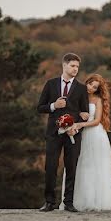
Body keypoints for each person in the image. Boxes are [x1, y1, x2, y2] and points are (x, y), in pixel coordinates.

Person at [59, 74, 111, 211]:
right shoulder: (77, 96)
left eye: (95, 87)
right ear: (86, 82)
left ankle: (97, 201)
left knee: (96, 166)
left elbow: (97, 121)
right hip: (80, 134)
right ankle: (76, 201)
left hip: (95, 135)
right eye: (90, 84)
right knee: (79, 165)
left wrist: (80, 125)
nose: (91, 88)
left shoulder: (98, 100)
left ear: (98, 89)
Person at [36, 52, 89, 212]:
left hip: (73, 134)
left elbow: (85, 112)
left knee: (71, 167)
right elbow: (40, 107)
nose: (75, 69)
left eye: (77, 67)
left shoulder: (81, 88)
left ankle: (69, 202)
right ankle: (49, 202)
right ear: (64, 65)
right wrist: (53, 106)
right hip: (53, 133)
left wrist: (81, 120)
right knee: (50, 166)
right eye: (73, 66)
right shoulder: (50, 84)